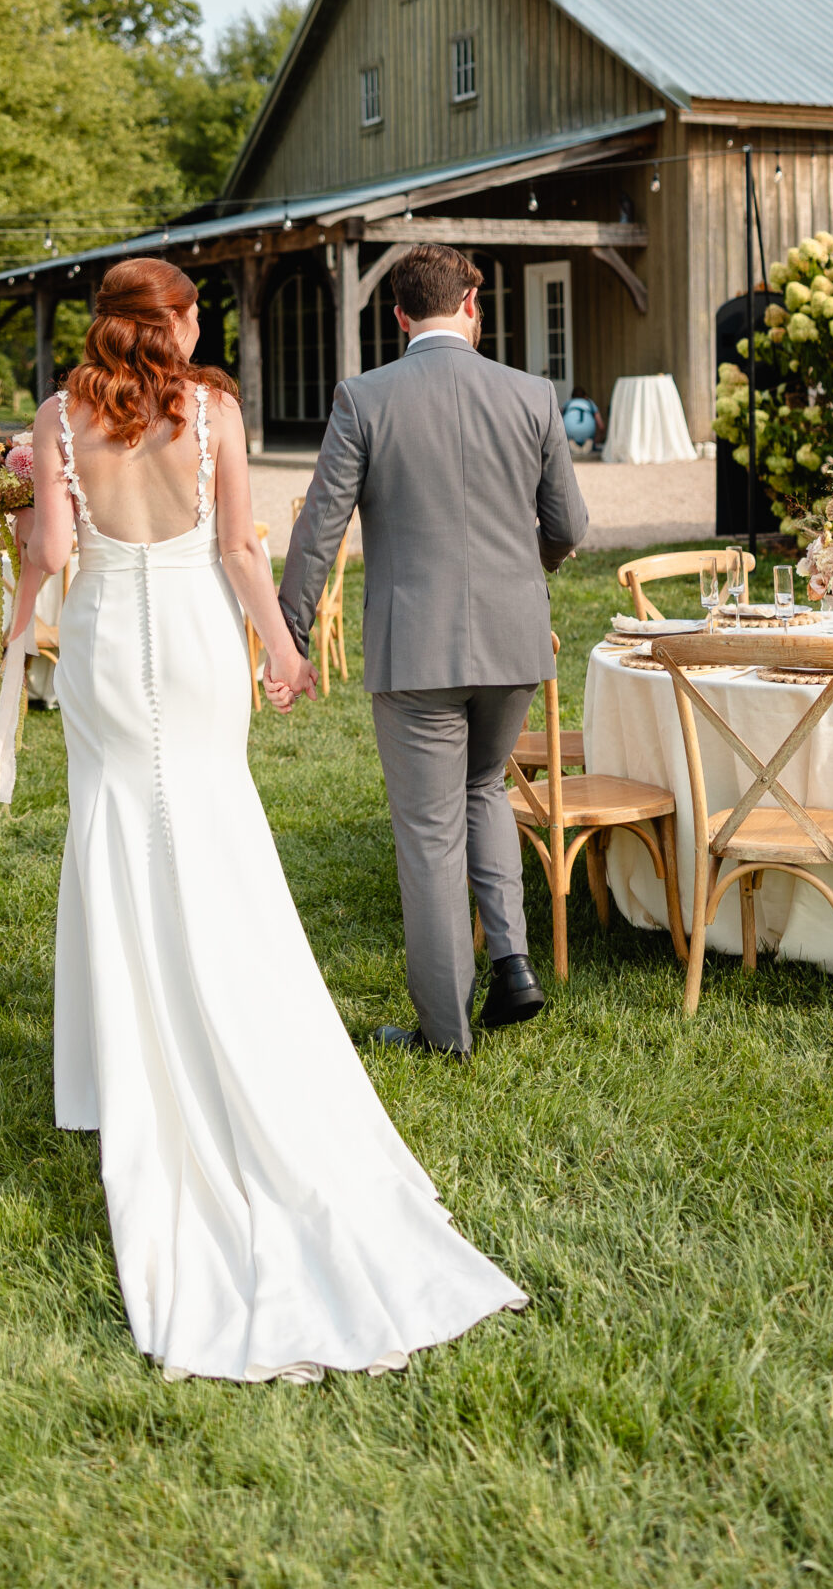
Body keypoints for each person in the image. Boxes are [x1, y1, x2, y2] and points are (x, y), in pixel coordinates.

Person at [2, 255, 523, 1385]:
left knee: (114, 838)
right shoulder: (218, 411)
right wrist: (283, 656)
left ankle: (126, 1062)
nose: (198, 329)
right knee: (216, 833)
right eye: (191, 313)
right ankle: (231, 1017)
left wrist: (12, 634)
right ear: (169, 323)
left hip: (102, 649)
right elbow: (243, 551)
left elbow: (51, 554)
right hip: (192, 645)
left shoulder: (54, 416)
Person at [279, 242, 591, 1058]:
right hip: (514, 640)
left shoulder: (364, 396)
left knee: (427, 831)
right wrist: (534, 569)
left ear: (398, 316)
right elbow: (569, 528)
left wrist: (292, 633)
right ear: (472, 309)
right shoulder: (531, 393)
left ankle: (444, 1032)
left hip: (414, 650)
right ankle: (513, 965)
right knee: (484, 789)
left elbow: (319, 530)